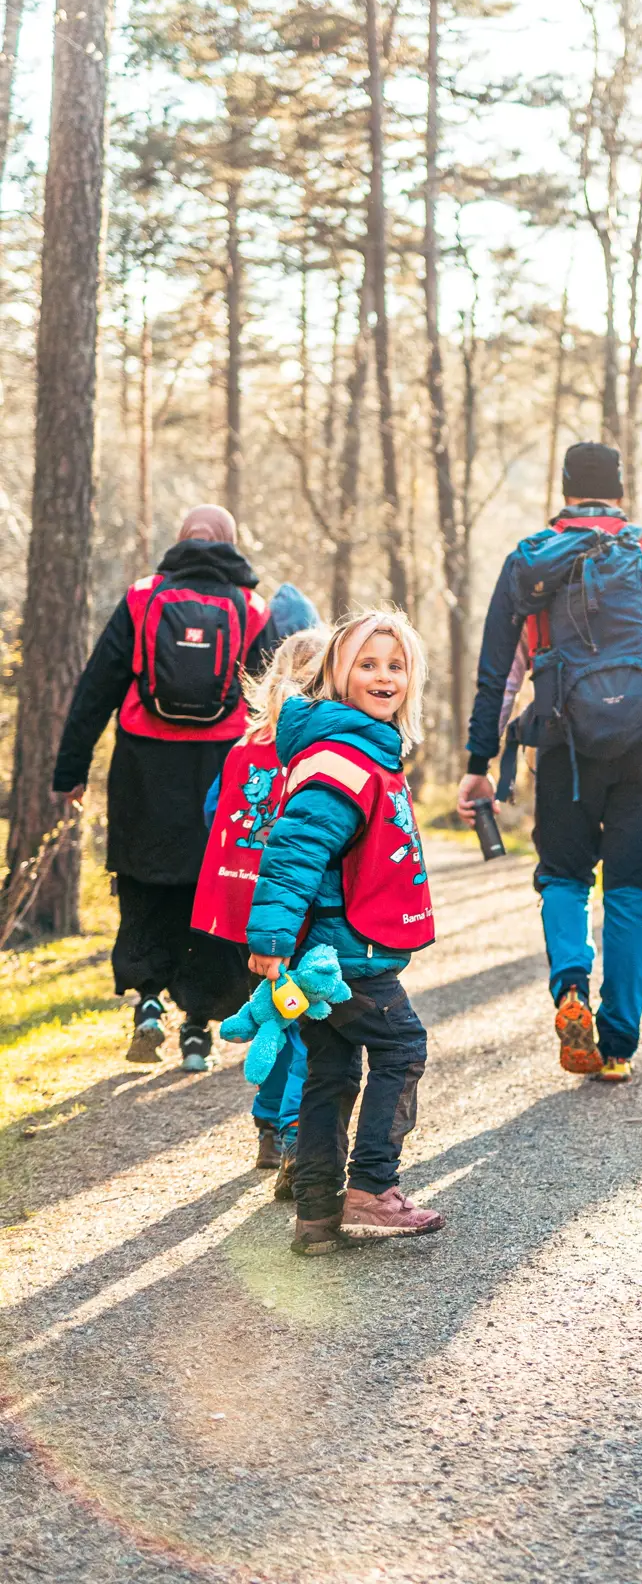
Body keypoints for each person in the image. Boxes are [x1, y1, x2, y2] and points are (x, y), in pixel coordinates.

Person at [457, 441, 642, 1082]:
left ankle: (570, 987)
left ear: (565, 489)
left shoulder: (530, 561)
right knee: (632, 894)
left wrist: (479, 761)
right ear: (620, 490)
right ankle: (616, 1048)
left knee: (564, 877)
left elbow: (499, 675)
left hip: (562, 747)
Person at [52, 505, 284, 1070]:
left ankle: (148, 1002)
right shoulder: (252, 609)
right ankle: (199, 1030)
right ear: (230, 543)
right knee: (210, 890)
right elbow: (280, 703)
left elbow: (95, 687)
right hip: (222, 774)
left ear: (181, 542)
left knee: (141, 883)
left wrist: (71, 771)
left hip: (142, 768)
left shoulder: (140, 598)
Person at [245, 610, 445, 1256]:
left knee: (330, 1074)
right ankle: (371, 1190)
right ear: (338, 672)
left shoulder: (358, 748)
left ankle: (317, 1215)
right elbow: (295, 848)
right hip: (344, 953)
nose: (383, 676)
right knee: (401, 1047)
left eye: (395, 665)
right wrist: (270, 938)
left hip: (332, 949)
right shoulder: (343, 757)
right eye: (367, 664)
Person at [193, 625, 327, 1183]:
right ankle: (294, 1131)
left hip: (246, 906)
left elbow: (211, 813)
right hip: (294, 907)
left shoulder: (244, 746)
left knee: (274, 1012)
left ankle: (268, 1129)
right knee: (303, 1023)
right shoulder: (318, 747)